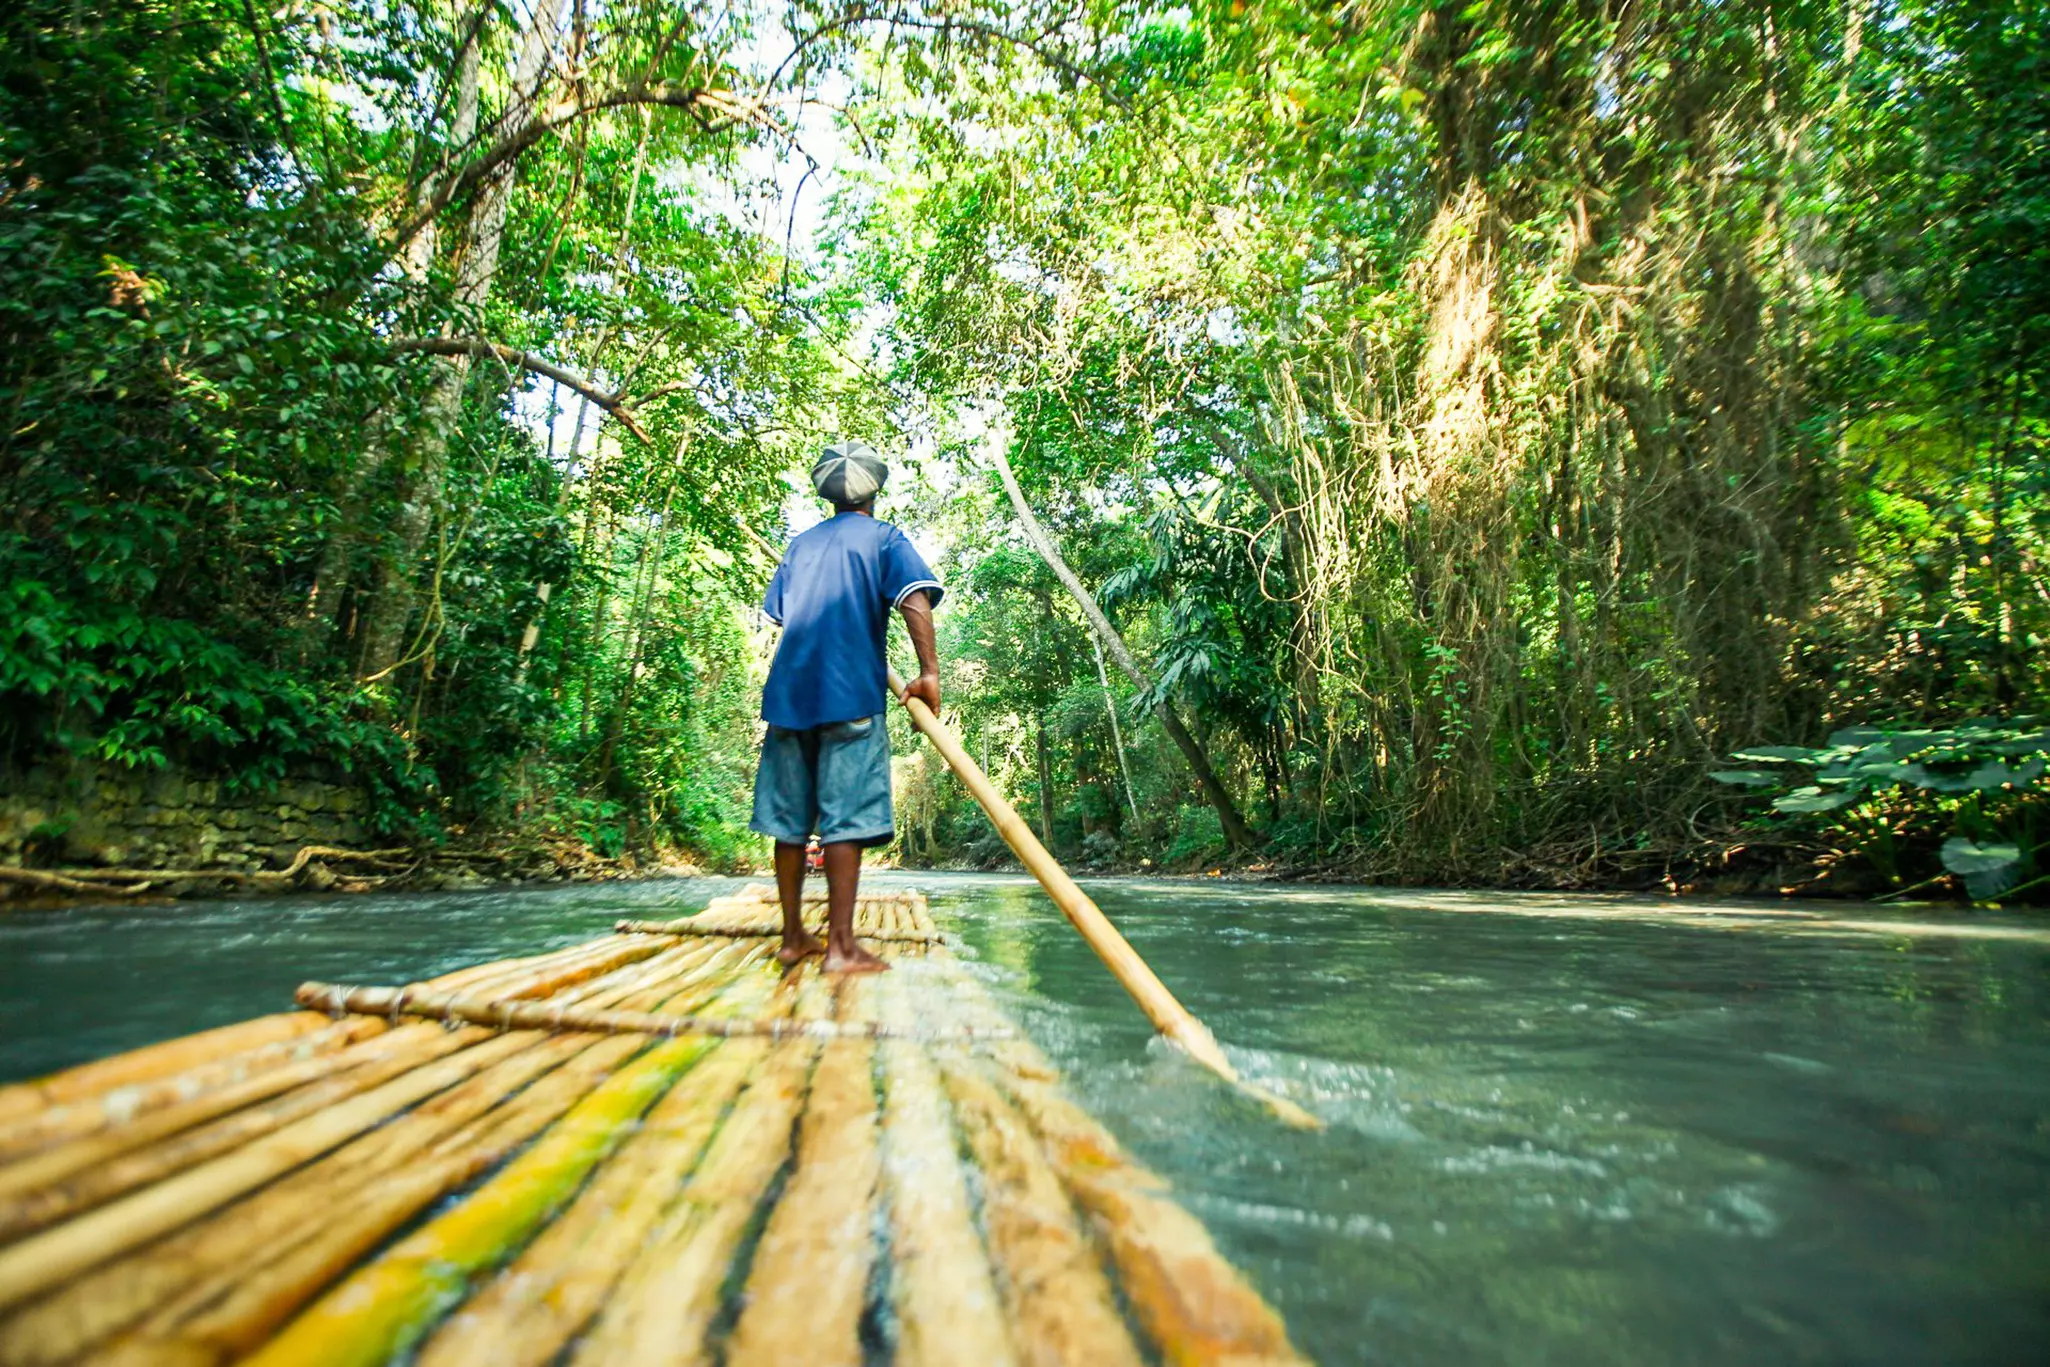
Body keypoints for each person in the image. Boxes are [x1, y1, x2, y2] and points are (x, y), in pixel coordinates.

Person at [751, 440, 943, 973]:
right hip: (851, 696)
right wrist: (927, 673)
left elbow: (785, 615)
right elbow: (913, 598)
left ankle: (794, 939)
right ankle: (841, 947)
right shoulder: (884, 539)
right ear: (874, 493)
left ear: (827, 496)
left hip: (789, 698)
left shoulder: (800, 546)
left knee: (789, 824)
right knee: (845, 822)